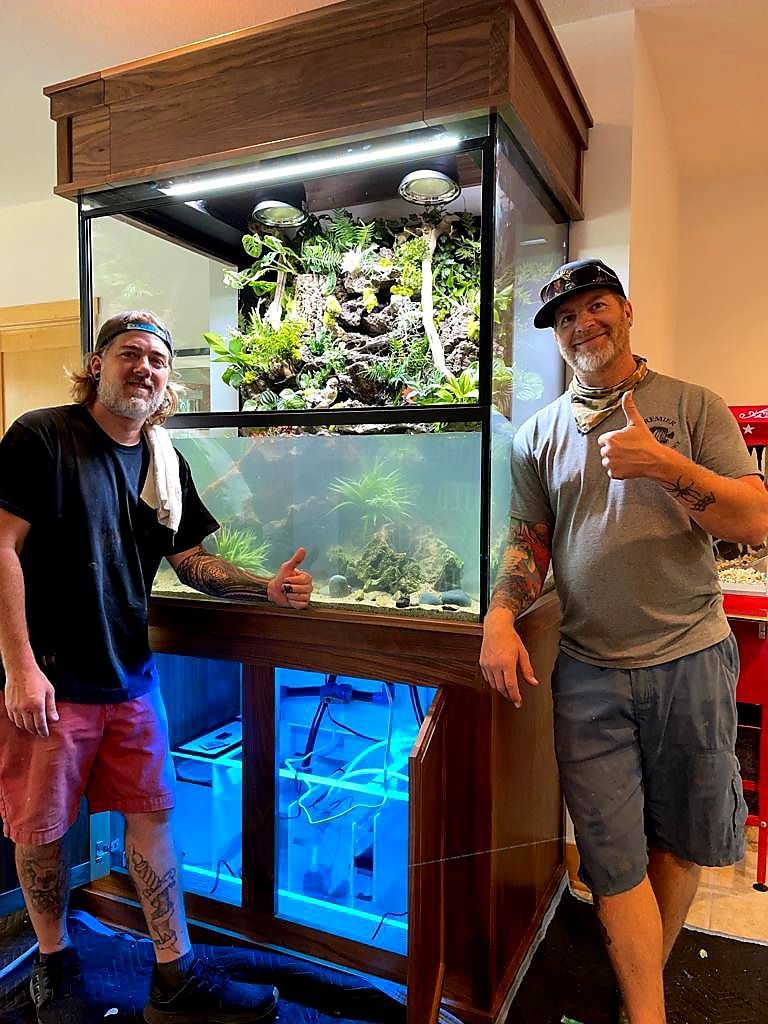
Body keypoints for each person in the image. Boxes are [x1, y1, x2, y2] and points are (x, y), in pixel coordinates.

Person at [0, 311, 313, 1024]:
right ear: (97, 363)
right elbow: (2, 547)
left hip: (131, 680)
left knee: (155, 820)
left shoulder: (163, 459)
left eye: (158, 361)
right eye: (130, 354)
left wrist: (263, 587)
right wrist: (19, 667)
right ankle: (55, 963)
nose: (145, 368)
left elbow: (190, 562)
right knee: (40, 831)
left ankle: (175, 976)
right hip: (50, 681)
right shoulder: (41, 435)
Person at [480, 259, 768, 1024]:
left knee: (680, 843)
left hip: (691, 658)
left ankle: (642, 989)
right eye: (566, 319)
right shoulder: (538, 433)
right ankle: (647, 1011)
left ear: (626, 310)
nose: (583, 326)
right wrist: (500, 616)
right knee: (611, 859)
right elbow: (529, 542)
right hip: (589, 672)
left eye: (595, 306)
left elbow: (753, 519)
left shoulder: (692, 406)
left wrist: (663, 464)